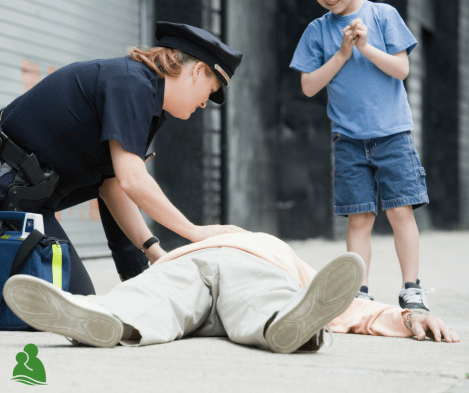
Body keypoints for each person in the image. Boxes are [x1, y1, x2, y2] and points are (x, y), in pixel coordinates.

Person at [0, 22, 246, 295]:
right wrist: (194, 232)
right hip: (9, 197)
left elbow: (112, 186)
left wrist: (153, 255)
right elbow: (132, 179)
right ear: (198, 71)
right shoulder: (131, 84)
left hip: (25, 205)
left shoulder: (149, 98)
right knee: (74, 304)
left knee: (78, 302)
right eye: (210, 91)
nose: (204, 103)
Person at [3, 232, 459, 354]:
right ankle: (101, 320)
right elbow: (350, 310)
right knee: (156, 296)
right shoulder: (212, 244)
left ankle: (289, 325)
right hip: (190, 265)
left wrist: (403, 317)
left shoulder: (276, 253)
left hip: (241, 267)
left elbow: (347, 305)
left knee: (266, 296)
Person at [290, 0, 432, 312]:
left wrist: (365, 47)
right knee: (359, 217)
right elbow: (309, 86)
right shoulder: (318, 30)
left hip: (393, 134)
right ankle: (359, 292)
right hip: (348, 139)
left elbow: (402, 69)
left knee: (400, 212)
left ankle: (411, 288)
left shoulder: (382, 15)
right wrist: (342, 53)